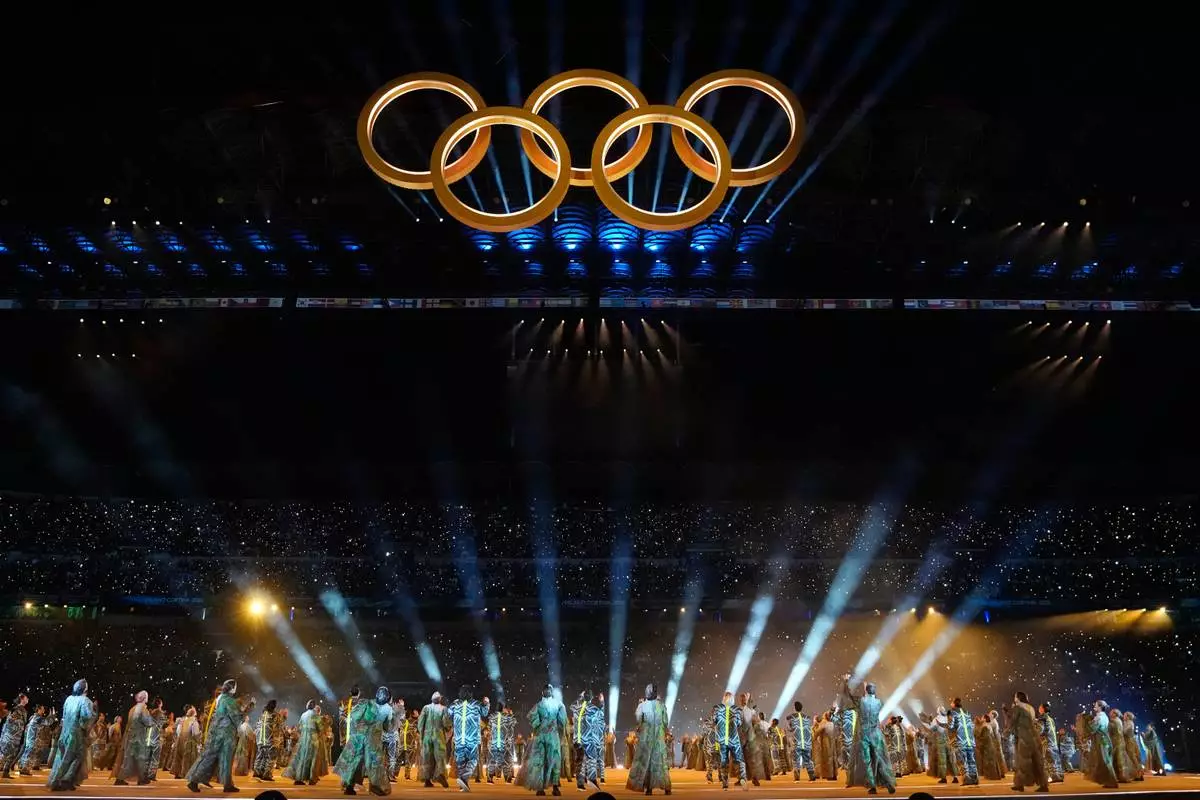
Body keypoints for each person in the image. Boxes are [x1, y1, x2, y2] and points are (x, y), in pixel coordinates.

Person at [186, 678, 254, 793]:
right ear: (232, 688)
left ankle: (194, 781)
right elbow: (237, 717)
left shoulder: (220, 698)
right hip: (226, 734)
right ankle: (227, 785)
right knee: (226, 758)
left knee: (208, 757)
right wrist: (250, 707)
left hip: (215, 732)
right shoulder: (229, 700)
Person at [334, 686, 394, 796]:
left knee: (355, 761)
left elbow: (354, 716)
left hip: (359, 735)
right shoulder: (388, 709)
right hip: (373, 739)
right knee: (374, 764)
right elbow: (387, 727)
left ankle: (349, 786)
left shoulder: (367, 703)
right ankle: (376, 788)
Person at [841, 674, 895, 795]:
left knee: (868, 761)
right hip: (876, 733)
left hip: (865, 734)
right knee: (879, 759)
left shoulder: (861, 701)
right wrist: (867, 689)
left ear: (866, 691)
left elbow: (847, 696)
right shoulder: (878, 702)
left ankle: (872, 786)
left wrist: (845, 682)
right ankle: (888, 783)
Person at [47, 679, 95, 792]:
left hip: (65, 732)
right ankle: (62, 781)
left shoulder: (69, 699)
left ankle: (65, 780)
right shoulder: (85, 700)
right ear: (85, 689)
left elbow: (64, 716)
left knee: (62, 756)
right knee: (76, 756)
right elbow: (86, 717)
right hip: (76, 733)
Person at [521, 684, 566, 796]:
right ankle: (549, 787)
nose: (547, 692)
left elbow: (533, 718)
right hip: (548, 736)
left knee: (550, 760)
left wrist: (539, 725)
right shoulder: (557, 704)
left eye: (548, 690)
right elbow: (562, 721)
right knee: (547, 760)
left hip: (544, 735)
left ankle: (549, 787)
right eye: (546, 690)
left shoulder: (543, 705)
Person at [626, 683, 670, 796]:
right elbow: (665, 722)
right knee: (661, 762)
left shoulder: (642, 706)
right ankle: (666, 787)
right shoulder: (662, 705)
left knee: (646, 762)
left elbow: (638, 720)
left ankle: (649, 788)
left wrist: (639, 705)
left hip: (647, 739)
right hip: (659, 739)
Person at [447, 686, 489, 793]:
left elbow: (448, 714)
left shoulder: (455, 704)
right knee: (473, 760)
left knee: (461, 762)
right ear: (470, 693)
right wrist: (486, 703)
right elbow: (484, 713)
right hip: (472, 739)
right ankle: (464, 779)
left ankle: (463, 785)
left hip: (459, 738)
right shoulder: (476, 704)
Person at [1009, 691, 1049, 793]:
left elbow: (1013, 723)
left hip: (1024, 737)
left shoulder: (1017, 707)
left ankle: (1020, 784)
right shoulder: (1030, 707)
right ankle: (1043, 784)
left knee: (1022, 761)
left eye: (1015, 696)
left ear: (1018, 698)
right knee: (1037, 761)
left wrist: (1007, 733)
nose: (1014, 698)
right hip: (1034, 736)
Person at [114, 691, 154, 786]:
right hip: (139, 737)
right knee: (140, 758)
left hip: (130, 736)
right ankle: (140, 779)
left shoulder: (133, 708)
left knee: (130, 758)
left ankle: (132, 778)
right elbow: (148, 723)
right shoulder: (143, 709)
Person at [712, 692, 746, 790]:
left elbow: (714, 721)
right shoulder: (737, 709)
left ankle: (725, 784)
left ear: (723, 698)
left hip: (722, 739)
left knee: (723, 761)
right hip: (734, 738)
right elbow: (739, 723)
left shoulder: (717, 708)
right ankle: (742, 777)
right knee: (738, 759)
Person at [283, 701, 322, 786]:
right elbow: (320, 728)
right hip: (313, 739)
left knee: (301, 758)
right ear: (314, 706)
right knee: (313, 759)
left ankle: (299, 778)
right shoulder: (315, 715)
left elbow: (299, 727)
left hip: (303, 739)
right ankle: (312, 779)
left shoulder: (303, 715)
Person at [417, 692, 450, 788]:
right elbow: (446, 723)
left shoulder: (426, 708)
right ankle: (440, 775)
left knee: (427, 758)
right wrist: (448, 727)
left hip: (427, 736)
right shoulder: (443, 709)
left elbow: (420, 723)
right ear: (440, 699)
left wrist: (422, 735)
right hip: (438, 736)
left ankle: (427, 780)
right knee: (440, 757)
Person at [577, 692, 606, 791]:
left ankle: (582, 782)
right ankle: (591, 779)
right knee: (590, 759)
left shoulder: (582, 708)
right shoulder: (592, 710)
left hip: (586, 739)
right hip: (588, 739)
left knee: (584, 761)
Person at [947, 698, 978, 786]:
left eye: (951, 702)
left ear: (954, 704)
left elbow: (951, 726)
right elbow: (971, 725)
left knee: (962, 760)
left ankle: (966, 779)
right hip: (970, 740)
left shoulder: (953, 712)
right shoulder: (967, 711)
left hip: (960, 740)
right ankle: (974, 779)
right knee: (971, 760)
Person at [252, 700, 284, 781]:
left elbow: (257, 726)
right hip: (270, 740)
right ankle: (267, 774)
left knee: (260, 756)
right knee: (270, 757)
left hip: (260, 740)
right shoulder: (275, 715)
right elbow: (280, 726)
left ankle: (257, 772)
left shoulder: (262, 715)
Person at [0, 694, 29, 778]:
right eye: (26, 697)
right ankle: (5, 771)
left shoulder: (22, 709)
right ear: (22, 699)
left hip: (16, 737)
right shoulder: (16, 709)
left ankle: (6, 772)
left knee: (11, 755)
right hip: (10, 737)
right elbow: (10, 721)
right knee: (4, 755)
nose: (28, 699)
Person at [787, 702, 817, 782]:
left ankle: (797, 778)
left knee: (796, 760)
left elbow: (790, 729)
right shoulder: (807, 717)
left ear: (794, 708)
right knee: (808, 760)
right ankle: (812, 775)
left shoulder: (792, 717)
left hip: (798, 742)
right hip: (807, 742)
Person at [487, 704, 516, 784]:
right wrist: (511, 714)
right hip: (504, 742)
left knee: (492, 760)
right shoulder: (507, 717)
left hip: (494, 742)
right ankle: (508, 778)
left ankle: (490, 778)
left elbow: (489, 728)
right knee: (506, 760)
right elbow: (513, 724)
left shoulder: (492, 717)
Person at [18, 704, 48, 775]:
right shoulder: (38, 718)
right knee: (30, 755)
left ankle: (21, 766)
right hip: (33, 739)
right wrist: (52, 716)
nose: (44, 710)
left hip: (29, 739)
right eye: (43, 709)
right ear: (39, 709)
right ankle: (25, 769)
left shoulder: (33, 717)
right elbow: (47, 722)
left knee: (26, 753)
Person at [1036, 703, 1062, 783]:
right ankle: (1059, 775)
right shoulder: (1051, 719)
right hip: (1053, 741)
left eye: (1040, 707)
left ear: (1043, 709)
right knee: (1054, 759)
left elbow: (1040, 730)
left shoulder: (1042, 718)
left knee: (1048, 760)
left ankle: (1054, 777)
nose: (1038, 709)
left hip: (1046, 742)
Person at [174, 707, 202, 779]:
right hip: (189, 742)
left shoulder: (183, 721)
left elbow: (178, 731)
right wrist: (199, 741)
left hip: (181, 740)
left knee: (179, 757)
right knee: (188, 759)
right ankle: (186, 773)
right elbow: (195, 734)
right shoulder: (194, 722)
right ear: (194, 714)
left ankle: (177, 773)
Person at [1120, 712, 1143, 782]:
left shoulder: (1130, 723)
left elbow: (1125, 732)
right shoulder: (1126, 723)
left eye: (1124, 716)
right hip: (1127, 741)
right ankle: (1135, 774)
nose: (1123, 717)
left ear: (1128, 717)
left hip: (1130, 742)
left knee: (1132, 757)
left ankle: (1139, 773)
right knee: (1130, 758)